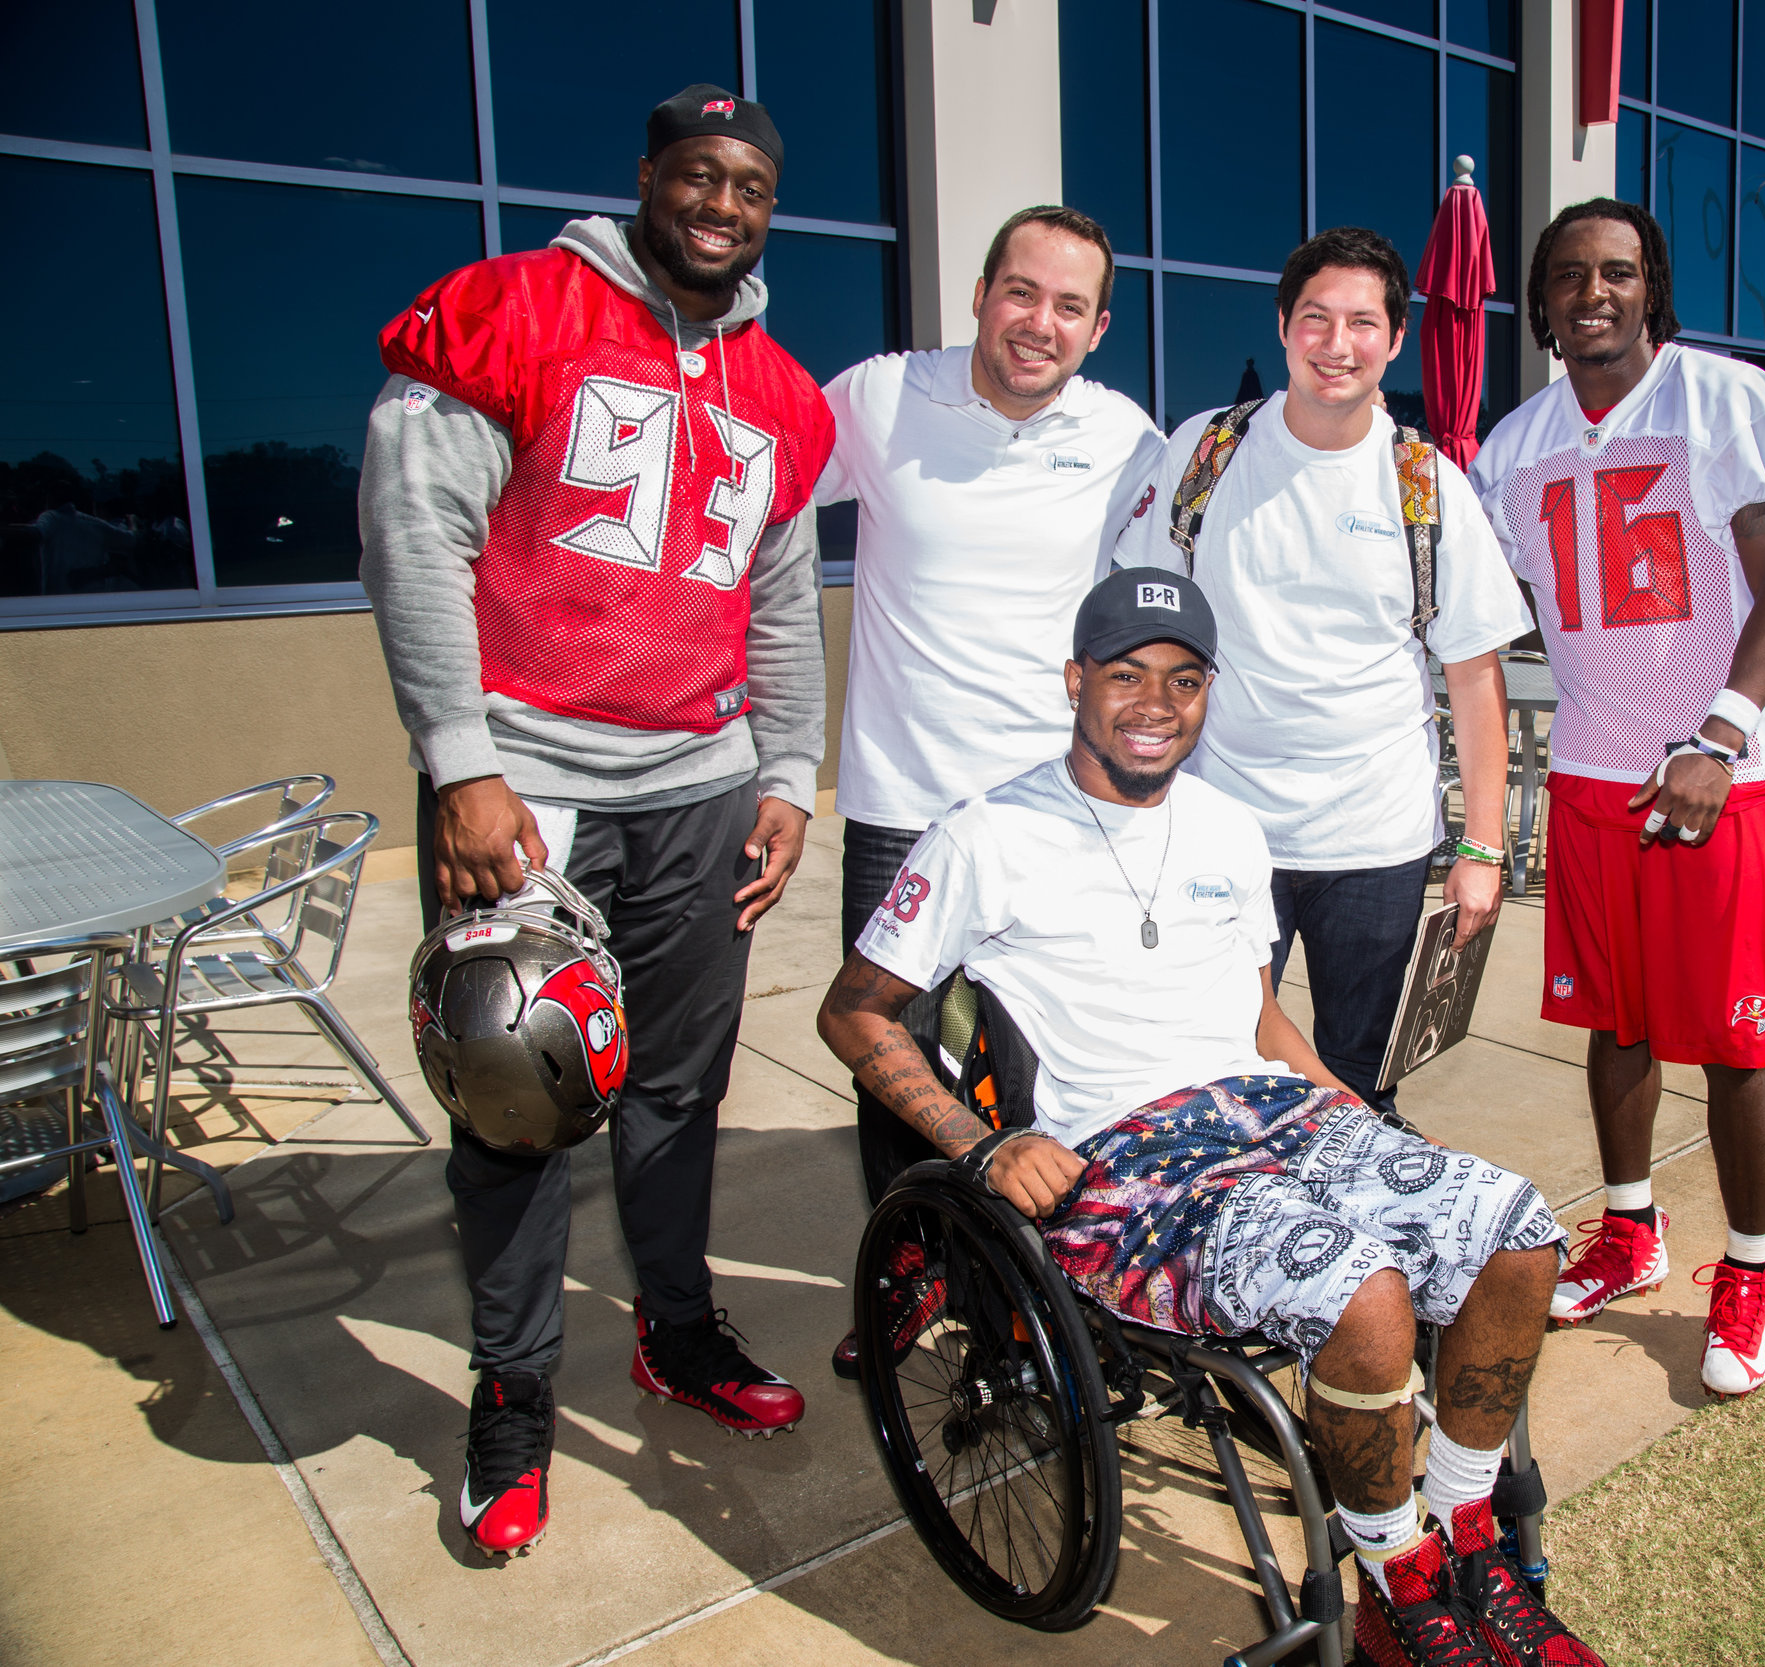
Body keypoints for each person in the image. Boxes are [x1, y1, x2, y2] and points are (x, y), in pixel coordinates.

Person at [817, 569, 1605, 1667]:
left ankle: (1465, 1536)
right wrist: (981, 1142)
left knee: (1518, 1234)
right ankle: (1396, 1580)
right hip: (1124, 1158)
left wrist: (1350, 1111)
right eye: (1127, 675)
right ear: (1075, 681)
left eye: (1182, 679)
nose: (1154, 701)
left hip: (1273, 1111)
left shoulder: (1234, 828)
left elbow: (1258, 1013)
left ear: (1208, 693)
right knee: (1366, 1302)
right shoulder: (984, 836)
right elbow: (855, 1012)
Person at [359, 84, 837, 1558]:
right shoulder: (516, 307)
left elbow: (774, 597)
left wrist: (789, 769)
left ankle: (676, 1331)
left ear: (768, 208)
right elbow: (412, 532)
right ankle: (512, 1392)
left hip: (697, 783)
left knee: (679, 1087)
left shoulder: (785, 390)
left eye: (748, 186)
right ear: (648, 179)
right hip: (532, 782)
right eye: (698, 177)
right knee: (516, 1100)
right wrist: (461, 761)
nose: (721, 205)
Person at [1468, 199, 1765, 1398]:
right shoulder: (1510, 446)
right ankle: (1631, 1229)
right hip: (1587, 773)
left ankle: (1750, 1269)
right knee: (1612, 1020)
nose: (1592, 293)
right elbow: (1484, 610)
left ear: (1649, 285)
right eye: (1568, 276)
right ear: (1541, 301)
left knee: (1732, 1039)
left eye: (1616, 272)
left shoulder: (1722, 399)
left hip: (1717, 777)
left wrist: (1719, 734)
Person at [1110, 226, 1528, 1114]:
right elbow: (1143, 619)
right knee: (1213, 1060)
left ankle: (1356, 1239)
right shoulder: (1205, 451)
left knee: (1362, 1080)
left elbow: (1473, 675)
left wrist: (1482, 847)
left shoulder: (1427, 483)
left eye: (1363, 323)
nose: (1338, 345)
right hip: (1220, 823)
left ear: (1397, 337)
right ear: (1283, 325)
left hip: (1375, 839)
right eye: (1316, 318)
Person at [813, 205, 1163, 1204]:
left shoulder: (1123, 437)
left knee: (1042, 1059)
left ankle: (1033, 1271)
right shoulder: (879, 398)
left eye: (1068, 305)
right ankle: (908, 1262)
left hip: (1052, 809)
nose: (1037, 321)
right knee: (896, 1062)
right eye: (1020, 291)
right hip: (901, 806)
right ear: (978, 295)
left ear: (1096, 330)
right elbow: (758, 502)